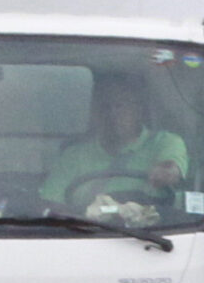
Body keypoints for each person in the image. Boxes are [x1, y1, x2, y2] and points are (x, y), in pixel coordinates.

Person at [41, 74, 188, 205]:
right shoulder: (73, 156)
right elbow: (51, 205)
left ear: (138, 110)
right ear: (94, 113)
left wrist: (166, 172)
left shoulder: (164, 143)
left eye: (120, 105)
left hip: (153, 226)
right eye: (105, 107)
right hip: (85, 226)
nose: (112, 113)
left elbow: (171, 169)